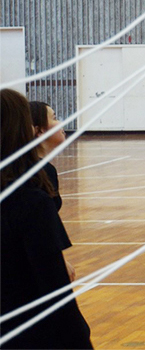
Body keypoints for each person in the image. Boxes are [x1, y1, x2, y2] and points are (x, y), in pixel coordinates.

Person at [0, 89, 93, 349]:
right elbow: (54, 289)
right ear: (29, 130)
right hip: (26, 328)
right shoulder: (31, 199)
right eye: (53, 117)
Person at [29, 101, 76, 281]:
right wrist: (59, 260)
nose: (60, 123)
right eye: (54, 118)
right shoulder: (40, 172)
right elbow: (41, 227)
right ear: (40, 130)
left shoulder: (43, 168)